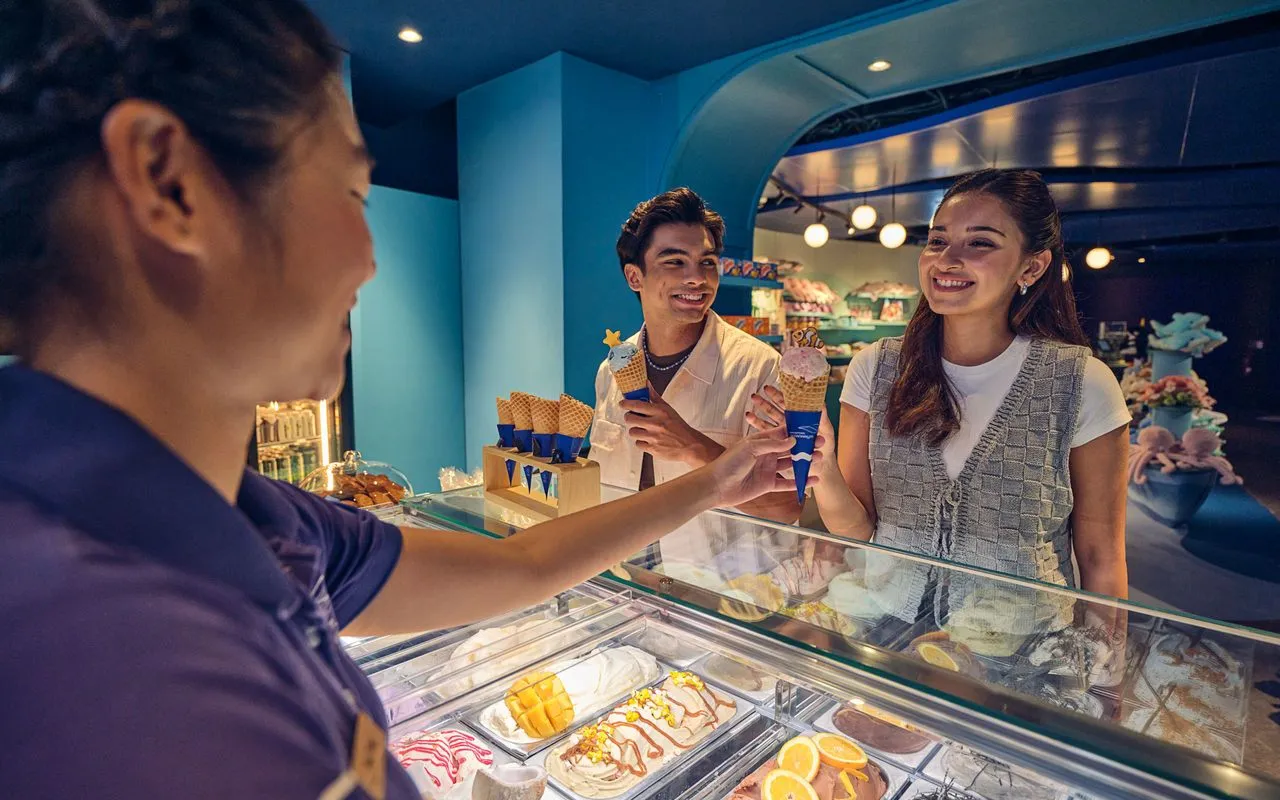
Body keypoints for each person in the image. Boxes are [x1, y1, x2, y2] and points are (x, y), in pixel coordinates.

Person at [0, 3, 813, 797]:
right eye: (352, 195)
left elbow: (522, 564)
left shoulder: (258, 515)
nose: (369, 262)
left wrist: (713, 478)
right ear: (168, 184)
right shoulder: (97, 655)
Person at [750, 168, 1131, 621]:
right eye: (937, 241)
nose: (947, 259)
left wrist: (1104, 680)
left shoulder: (1080, 382)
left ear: (1032, 266)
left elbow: (1101, 558)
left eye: (980, 243)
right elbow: (856, 529)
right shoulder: (875, 368)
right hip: (891, 634)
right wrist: (823, 467)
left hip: (1024, 655)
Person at [591, 188, 802, 524]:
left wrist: (693, 447)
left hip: (719, 576)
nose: (697, 278)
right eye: (675, 262)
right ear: (635, 276)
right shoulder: (611, 370)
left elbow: (788, 508)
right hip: (622, 570)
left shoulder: (761, 369)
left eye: (707, 262)